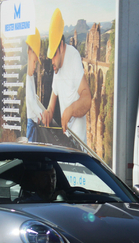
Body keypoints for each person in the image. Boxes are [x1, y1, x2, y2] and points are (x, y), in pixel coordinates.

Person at [41, 8, 91, 143]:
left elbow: (87, 99)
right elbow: (52, 104)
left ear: (61, 46)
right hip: (66, 140)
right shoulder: (57, 67)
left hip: (77, 143)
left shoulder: (73, 56)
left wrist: (71, 110)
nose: (52, 62)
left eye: (54, 56)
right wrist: (47, 113)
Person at [25, 28, 42, 143]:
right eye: (35, 62)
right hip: (31, 124)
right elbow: (31, 101)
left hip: (34, 124)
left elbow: (34, 100)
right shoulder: (28, 78)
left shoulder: (31, 78)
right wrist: (41, 115)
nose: (35, 66)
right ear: (30, 53)